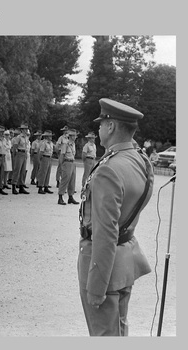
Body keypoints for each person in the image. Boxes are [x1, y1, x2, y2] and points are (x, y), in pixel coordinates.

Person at [78, 98, 153, 336]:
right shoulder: (140, 159)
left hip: (103, 264)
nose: (98, 128)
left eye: (101, 123)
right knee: (119, 330)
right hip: (125, 257)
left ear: (111, 127)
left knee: (104, 335)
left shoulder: (109, 169)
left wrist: (97, 287)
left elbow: (105, 232)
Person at [57, 129, 79, 205]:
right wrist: (61, 164)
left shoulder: (73, 144)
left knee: (72, 180)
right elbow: (62, 155)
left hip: (72, 162)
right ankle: (60, 197)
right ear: (71, 136)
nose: (76, 137)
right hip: (66, 162)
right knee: (65, 180)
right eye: (75, 135)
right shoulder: (65, 144)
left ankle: (70, 196)